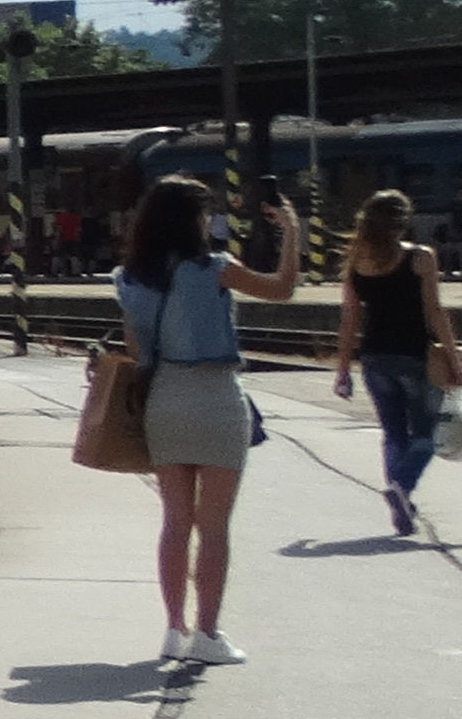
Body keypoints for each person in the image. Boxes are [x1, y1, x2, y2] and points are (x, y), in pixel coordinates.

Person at [115, 173, 301, 669]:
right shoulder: (217, 268)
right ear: (192, 220)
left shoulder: (129, 279)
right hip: (217, 398)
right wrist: (291, 231)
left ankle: (174, 628)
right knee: (213, 526)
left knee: (174, 522)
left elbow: (137, 352)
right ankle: (208, 634)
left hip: (164, 400)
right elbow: (283, 289)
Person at [328, 186, 455, 541]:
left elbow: (349, 321)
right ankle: (401, 485)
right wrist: (453, 356)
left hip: (374, 360)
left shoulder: (357, 262)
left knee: (393, 433)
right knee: (428, 433)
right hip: (415, 357)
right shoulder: (420, 257)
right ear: (403, 221)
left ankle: (401, 501)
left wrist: (342, 370)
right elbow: (435, 311)